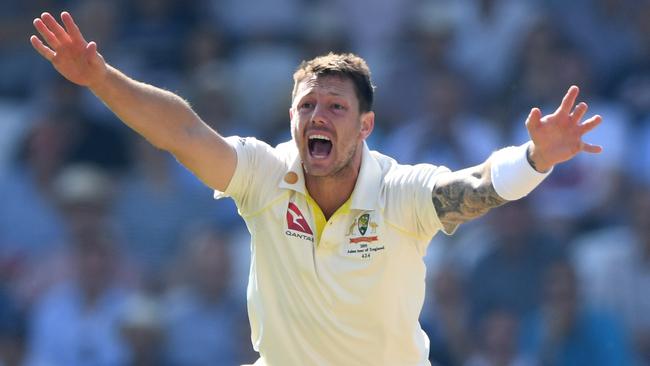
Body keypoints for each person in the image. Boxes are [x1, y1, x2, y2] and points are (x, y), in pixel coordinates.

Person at [30, 11, 603, 366]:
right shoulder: (262, 175)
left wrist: (535, 158)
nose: (318, 117)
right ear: (290, 118)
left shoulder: (399, 191)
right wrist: (99, 78)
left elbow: (474, 185)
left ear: (365, 125)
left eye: (335, 106)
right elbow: (183, 132)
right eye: (307, 106)